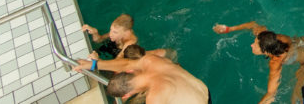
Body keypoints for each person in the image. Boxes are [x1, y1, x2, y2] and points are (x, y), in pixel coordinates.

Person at [212, 20, 304, 104]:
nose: (252, 45)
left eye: (255, 45)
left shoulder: (275, 62)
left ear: (266, 51)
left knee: (296, 100)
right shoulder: (266, 37)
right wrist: (228, 29)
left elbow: (271, 94)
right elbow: (253, 24)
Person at [76, 52, 209, 104]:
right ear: (129, 72)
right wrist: (93, 64)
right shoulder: (150, 61)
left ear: (127, 94)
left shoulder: (154, 99)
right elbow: (126, 63)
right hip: (203, 90)